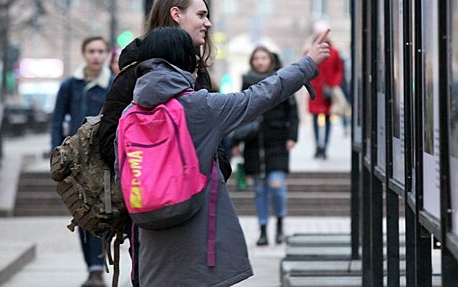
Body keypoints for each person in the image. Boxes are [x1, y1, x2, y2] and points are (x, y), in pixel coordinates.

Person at [126, 26, 329, 286]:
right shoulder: (200, 107)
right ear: (186, 60)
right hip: (196, 246)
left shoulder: (129, 115)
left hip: (150, 249)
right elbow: (261, 94)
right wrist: (307, 64)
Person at [97, 0, 224, 287]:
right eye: (201, 14)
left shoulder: (198, 73)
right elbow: (107, 140)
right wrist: (160, 173)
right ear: (176, 14)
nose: (207, 23)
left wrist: (213, 173)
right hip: (154, 215)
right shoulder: (134, 73)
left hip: (197, 209)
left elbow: (215, 137)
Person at [50, 36, 113, 287]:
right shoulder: (70, 86)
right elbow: (57, 121)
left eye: (100, 51)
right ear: (84, 53)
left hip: (104, 159)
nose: (96, 56)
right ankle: (94, 269)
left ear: (107, 54)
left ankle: (99, 264)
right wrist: (56, 157)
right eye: (91, 51)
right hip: (76, 161)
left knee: (105, 210)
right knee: (82, 211)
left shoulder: (112, 84)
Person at [237, 46, 299, 246]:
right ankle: (263, 229)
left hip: (277, 141)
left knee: (277, 186)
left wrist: (292, 136)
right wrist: (237, 140)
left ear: (271, 60)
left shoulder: (281, 80)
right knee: (259, 190)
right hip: (254, 143)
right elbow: (239, 112)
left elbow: (293, 111)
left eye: (264, 58)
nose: (260, 61)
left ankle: (280, 223)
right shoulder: (247, 82)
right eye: (257, 58)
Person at [308, 22, 343, 159]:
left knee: (328, 118)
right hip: (315, 90)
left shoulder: (334, 52)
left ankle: (324, 146)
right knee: (316, 119)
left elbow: (339, 70)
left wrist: (334, 85)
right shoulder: (310, 52)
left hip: (327, 90)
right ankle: (318, 145)